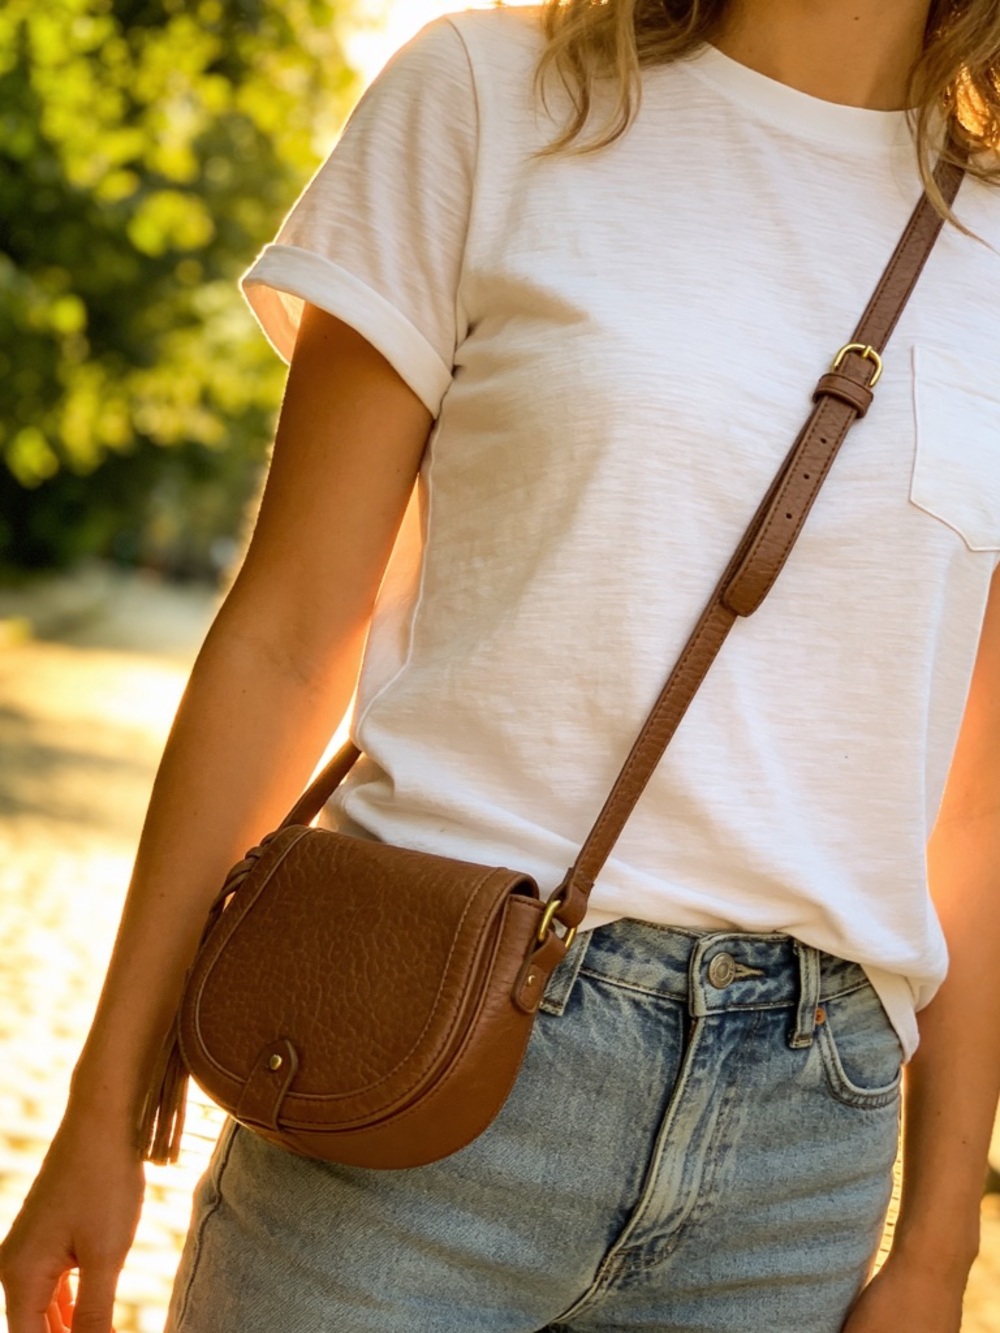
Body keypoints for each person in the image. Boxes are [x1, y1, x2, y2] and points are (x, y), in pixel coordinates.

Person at [2, 0, 999, 1329]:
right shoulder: (490, 96)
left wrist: (936, 1245)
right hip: (411, 1066)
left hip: (795, 1170)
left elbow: (976, 808)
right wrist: (104, 1105)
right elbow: (289, 633)